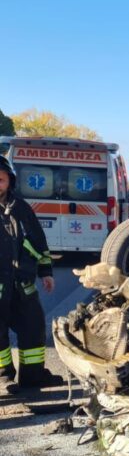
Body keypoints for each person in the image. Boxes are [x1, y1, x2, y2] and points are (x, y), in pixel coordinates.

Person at [0, 155, 63, 393]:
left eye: (1, 180)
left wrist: (46, 272)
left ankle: (33, 376)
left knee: (33, 327)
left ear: (10, 182)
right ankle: (4, 378)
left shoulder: (22, 208)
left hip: (21, 283)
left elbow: (38, 241)